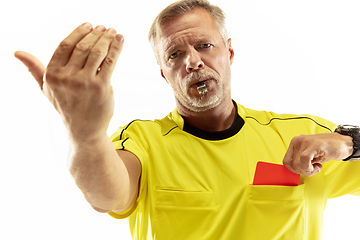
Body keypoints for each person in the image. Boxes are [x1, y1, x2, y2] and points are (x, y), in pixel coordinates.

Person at [14, 0, 360, 239]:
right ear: (165, 74)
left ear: (229, 52)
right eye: (175, 54)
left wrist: (349, 142)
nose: (192, 62)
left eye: (205, 46)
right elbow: (107, 197)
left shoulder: (301, 133)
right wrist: (85, 131)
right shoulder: (143, 141)